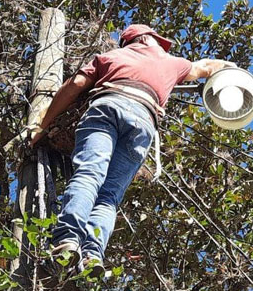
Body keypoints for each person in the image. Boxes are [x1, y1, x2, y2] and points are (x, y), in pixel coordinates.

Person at [30, 24, 234, 275]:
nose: (162, 47)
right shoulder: (173, 63)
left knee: (89, 174)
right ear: (145, 38)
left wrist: (42, 125)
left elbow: (77, 83)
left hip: (108, 107)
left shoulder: (112, 56)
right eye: (158, 41)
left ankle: (68, 240)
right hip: (143, 122)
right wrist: (232, 70)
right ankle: (92, 255)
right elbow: (207, 67)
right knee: (109, 196)